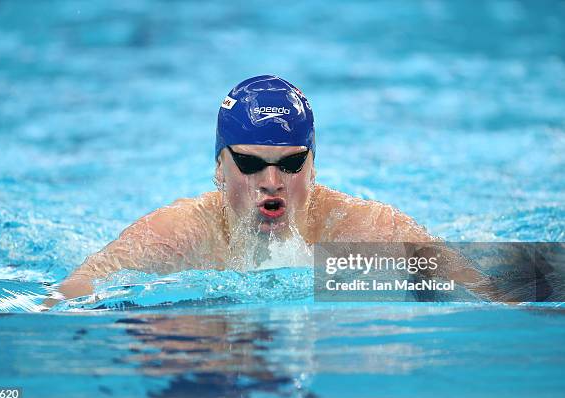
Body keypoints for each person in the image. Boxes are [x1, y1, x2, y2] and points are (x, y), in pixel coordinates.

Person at [46, 75, 492, 307]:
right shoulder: (178, 236)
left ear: (313, 167)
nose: (272, 182)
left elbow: (504, 289)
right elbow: (67, 295)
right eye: (251, 164)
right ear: (219, 167)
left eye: (291, 163)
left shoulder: (362, 229)